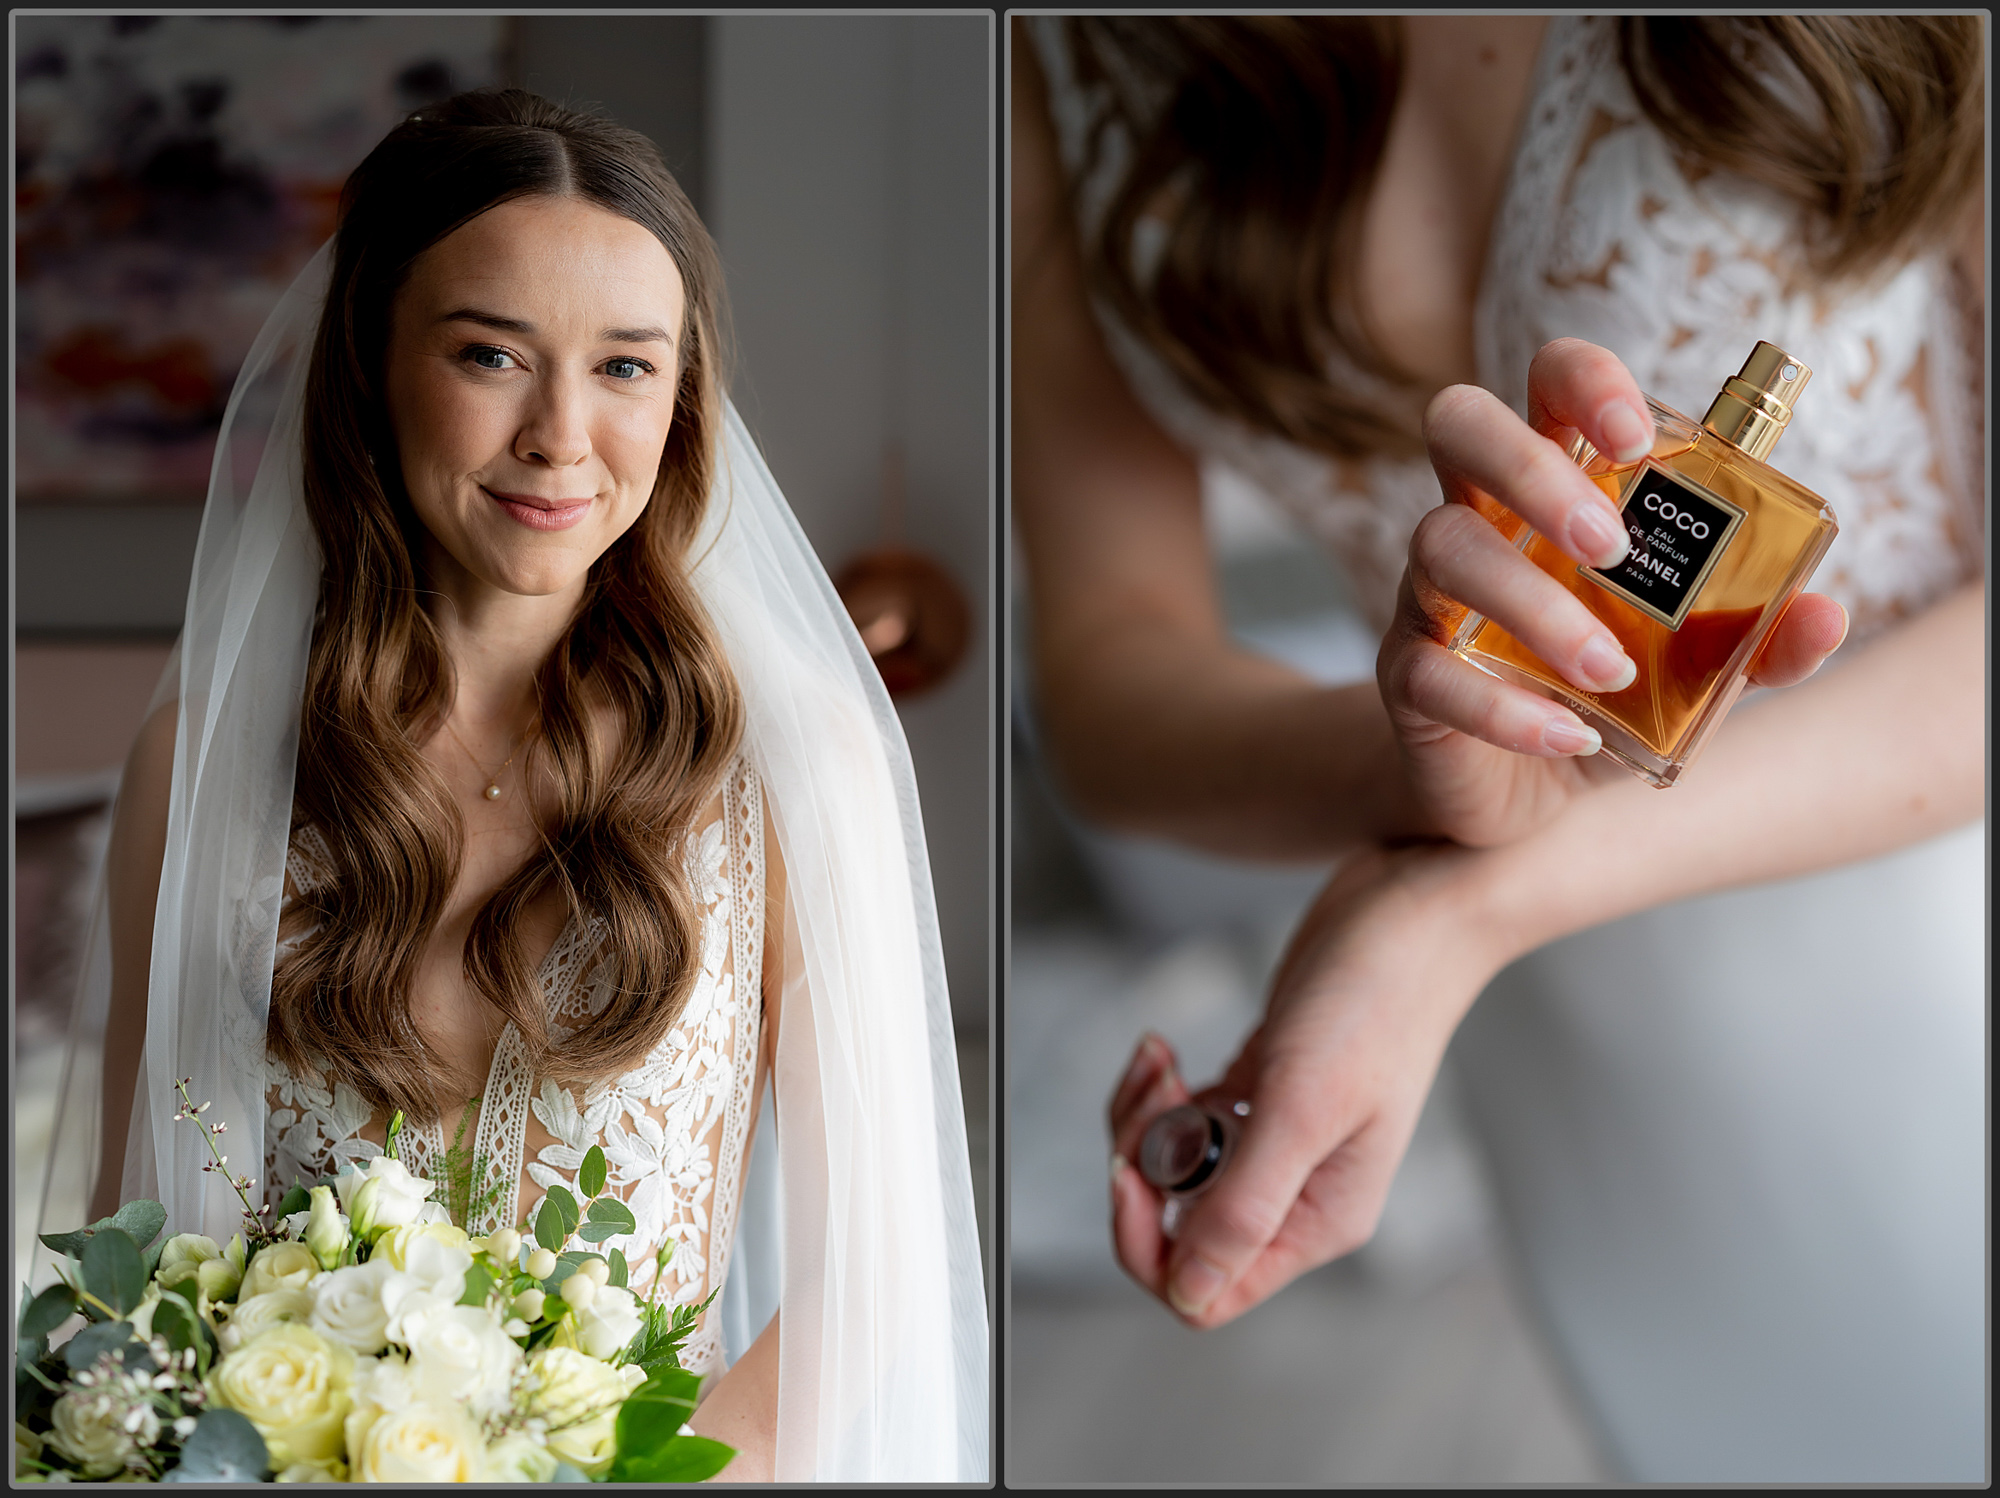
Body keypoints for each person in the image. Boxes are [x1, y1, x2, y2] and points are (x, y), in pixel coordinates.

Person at [1015, 15, 1982, 1482]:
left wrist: (1454, 897)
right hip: (1573, 1046)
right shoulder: (1062, 50)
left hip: (1932, 949)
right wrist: (1407, 761)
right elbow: (1105, 663)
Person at [45, 89, 985, 1482]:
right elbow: (144, 1265)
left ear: (683, 398)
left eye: (625, 368)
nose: (561, 434)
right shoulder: (202, 773)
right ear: (371, 363)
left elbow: (878, 1286)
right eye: (492, 354)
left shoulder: (790, 773)